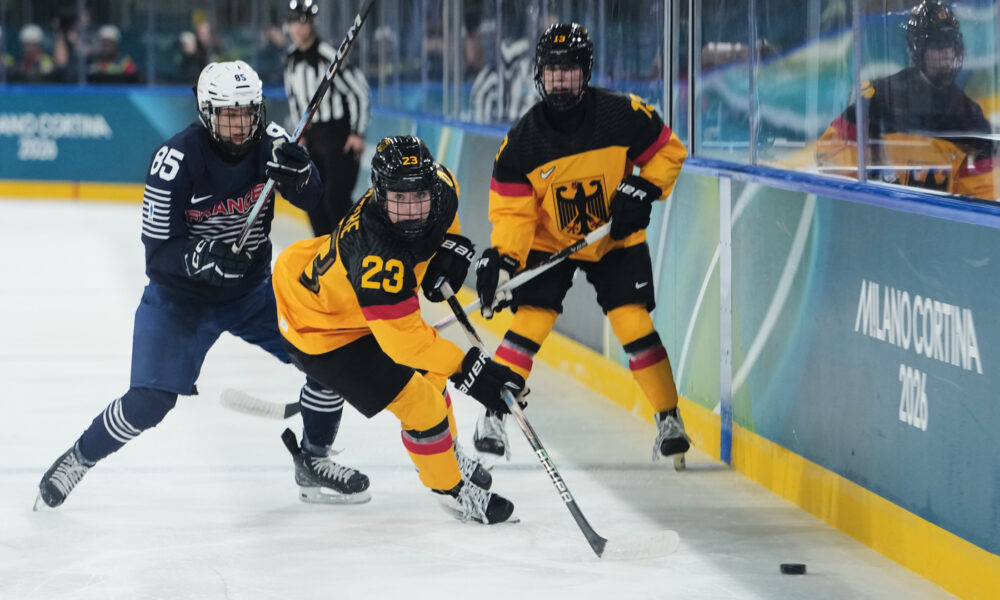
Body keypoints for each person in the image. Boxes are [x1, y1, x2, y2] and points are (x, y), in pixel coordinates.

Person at [36, 60, 369, 510]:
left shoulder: (271, 144)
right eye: (230, 114)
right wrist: (199, 259)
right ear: (206, 111)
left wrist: (304, 174)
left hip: (252, 295)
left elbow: (314, 200)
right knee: (149, 401)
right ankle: (80, 456)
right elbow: (157, 255)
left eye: (249, 112)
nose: (241, 124)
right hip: (179, 303)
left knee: (331, 356)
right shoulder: (174, 162)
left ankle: (312, 460)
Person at [271, 135, 524, 525]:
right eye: (398, 199)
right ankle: (451, 491)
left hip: (338, 297)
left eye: (418, 197)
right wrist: (472, 371)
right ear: (378, 193)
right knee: (420, 403)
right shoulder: (377, 257)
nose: (410, 211)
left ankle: (447, 452)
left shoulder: (439, 187)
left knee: (433, 379)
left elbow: (447, 200)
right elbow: (405, 345)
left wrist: (452, 244)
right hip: (319, 327)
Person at [472, 23, 690, 466]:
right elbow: (513, 214)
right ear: (539, 75)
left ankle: (669, 419)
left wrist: (643, 189)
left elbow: (669, 152)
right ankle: (492, 415)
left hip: (613, 237)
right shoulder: (522, 143)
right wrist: (505, 261)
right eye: (552, 71)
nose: (560, 79)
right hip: (552, 242)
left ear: (585, 72)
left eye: (569, 70)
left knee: (633, 322)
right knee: (530, 321)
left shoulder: (621, 114)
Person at [816, 1, 997, 201]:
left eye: (951, 44)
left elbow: (983, 195)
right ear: (917, 49)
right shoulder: (877, 97)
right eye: (937, 45)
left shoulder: (970, 115)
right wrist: (867, 171)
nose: (947, 54)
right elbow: (827, 156)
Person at [283, 0, 371, 236]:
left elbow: (359, 91)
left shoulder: (327, 55)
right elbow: (294, 100)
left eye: (303, 22)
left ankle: (356, 250)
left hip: (339, 137)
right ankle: (324, 256)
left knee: (336, 199)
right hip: (312, 141)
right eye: (294, 22)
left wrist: (357, 133)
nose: (298, 28)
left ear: (312, 24)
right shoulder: (291, 59)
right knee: (313, 201)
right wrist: (299, 136)